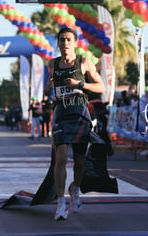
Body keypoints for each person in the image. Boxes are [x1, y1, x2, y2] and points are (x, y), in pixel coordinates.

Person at [47, 27, 105, 221]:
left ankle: (76, 188)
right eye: (62, 40)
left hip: (80, 114)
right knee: (60, 158)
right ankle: (61, 203)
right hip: (61, 113)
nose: (65, 43)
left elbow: (101, 87)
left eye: (68, 40)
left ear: (75, 42)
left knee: (79, 160)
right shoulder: (52, 64)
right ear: (58, 43)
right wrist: (50, 86)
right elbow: (50, 87)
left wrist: (79, 85)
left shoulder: (84, 62)